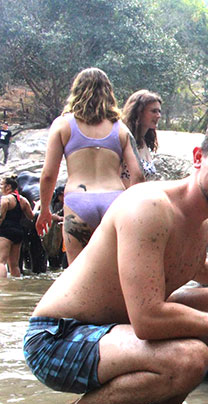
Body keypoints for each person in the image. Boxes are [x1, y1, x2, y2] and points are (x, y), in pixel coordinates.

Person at [23, 119, 208, 404]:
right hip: (58, 338)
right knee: (190, 357)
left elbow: (194, 265)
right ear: (198, 158)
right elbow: (148, 320)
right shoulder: (149, 208)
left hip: (115, 328)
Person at [36, 67, 144, 264]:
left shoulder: (62, 124)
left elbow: (48, 175)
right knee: (114, 273)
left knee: (76, 277)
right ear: (109, 93)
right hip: (114, 201)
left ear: (76, 91)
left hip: (79, 201)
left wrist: (44, 210)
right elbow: (138, 175)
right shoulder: (120, 128)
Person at [121, 90, 162, 182]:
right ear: (138, 113)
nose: (158, 115)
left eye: (159, 111)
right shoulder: (124, 140)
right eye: (154, 111)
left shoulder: (144, 142)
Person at [0, 176, 34, 277]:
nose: (0, 187)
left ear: (8, 187)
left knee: (1, 262)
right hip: (18, 233)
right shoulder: (23, 200)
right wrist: (36, 207)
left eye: (1, 185)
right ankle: (15, 288)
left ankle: (2, 287)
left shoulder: (5, 199)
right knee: (14, 265)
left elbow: (1, 217)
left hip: (5, 232)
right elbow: (31, 216)